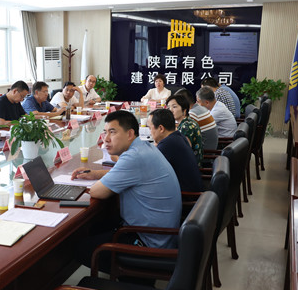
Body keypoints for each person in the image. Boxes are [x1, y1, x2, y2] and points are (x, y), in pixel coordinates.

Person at [71, 110, 181, 253]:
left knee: (79, 248)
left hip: (149, 242)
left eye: (112, 132)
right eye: (105, 132)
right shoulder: (144, 147)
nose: (106, 139)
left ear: (129, 134)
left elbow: (97, 192)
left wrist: (99, 181)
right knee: (96, 227)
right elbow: (132, 174)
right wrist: (95, 174)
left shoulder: (133, 157)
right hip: (161, 234)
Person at [148, 109, 203, 192]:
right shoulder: (178, 136)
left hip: (186, 195)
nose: (150, 132)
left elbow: (150, 172)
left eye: (150, 128)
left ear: (161, 128)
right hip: (194, 190)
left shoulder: (167, 144)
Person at [166, 94, 203, 166]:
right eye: (168, 107)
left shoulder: (186, 127)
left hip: (189, 167)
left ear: (184, 110)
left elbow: (183, 152)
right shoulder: (187, 121)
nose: (170, 110)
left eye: (174, 107)